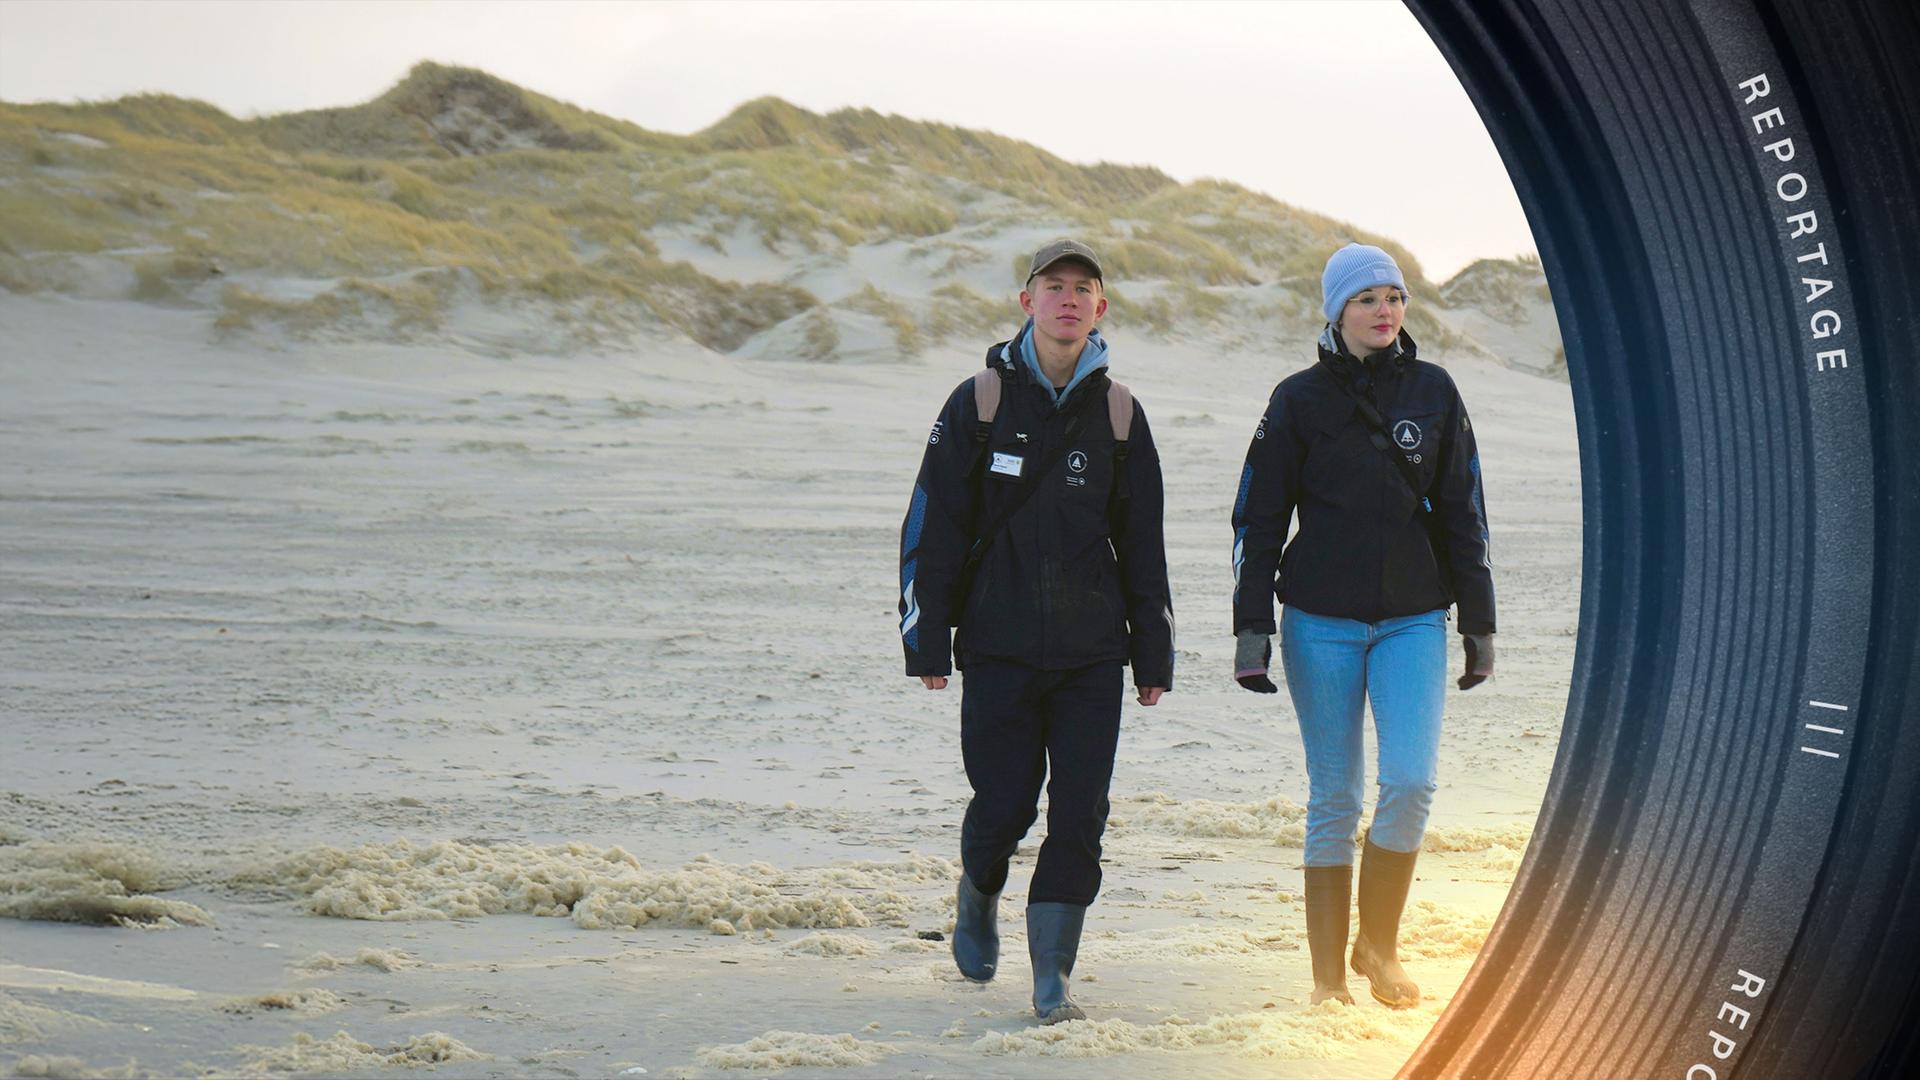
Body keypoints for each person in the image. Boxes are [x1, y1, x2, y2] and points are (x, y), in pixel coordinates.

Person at [897, 238, 1175, 1024]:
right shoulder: (979, 402)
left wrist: (1152, 652)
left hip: (1092, 654)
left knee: (1081, 812)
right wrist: (927, 640)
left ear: (1100, 309)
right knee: (1006, 803)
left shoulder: (1121, 415)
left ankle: (1051, 979)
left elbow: (1144, 545)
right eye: (1054, 286)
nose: (1068, 299)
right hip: (999, 649)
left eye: (1083, 289)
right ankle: (979, 891)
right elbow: (933, 526)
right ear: (1027, 302)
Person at [1229, 242, 1495, 1009]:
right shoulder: (1297, 400)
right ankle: (1325, 983)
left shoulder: (1435, 391)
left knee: (1411, 781)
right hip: (1320, 622)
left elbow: (1464, 512)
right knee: (1335, 796)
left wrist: (1479, 622)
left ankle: (1376, 946)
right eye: (1368, 299)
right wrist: (1253, 626)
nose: (1385, 310)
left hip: (1414, 619)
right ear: (1337, 312)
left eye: (1395, 297)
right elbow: (1259, 516)